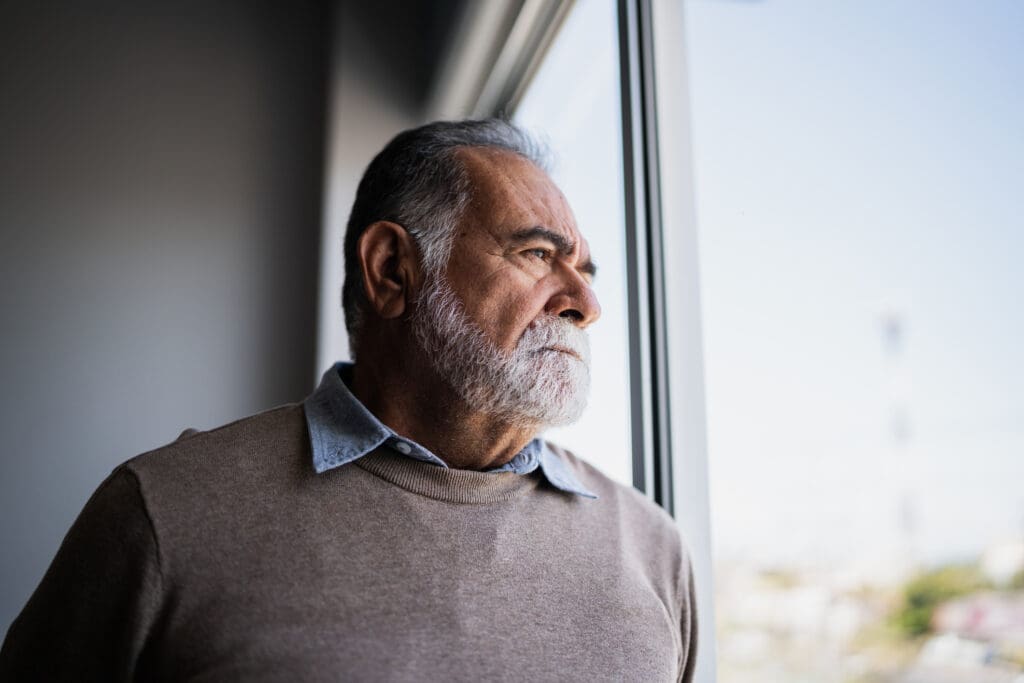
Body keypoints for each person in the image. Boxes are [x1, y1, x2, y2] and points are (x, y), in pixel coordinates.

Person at [0, 119, 697, 681]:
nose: (586, 304)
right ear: (393, 270)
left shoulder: (654, 550)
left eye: (585, 269)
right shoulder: (161, 514)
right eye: (538, 256)